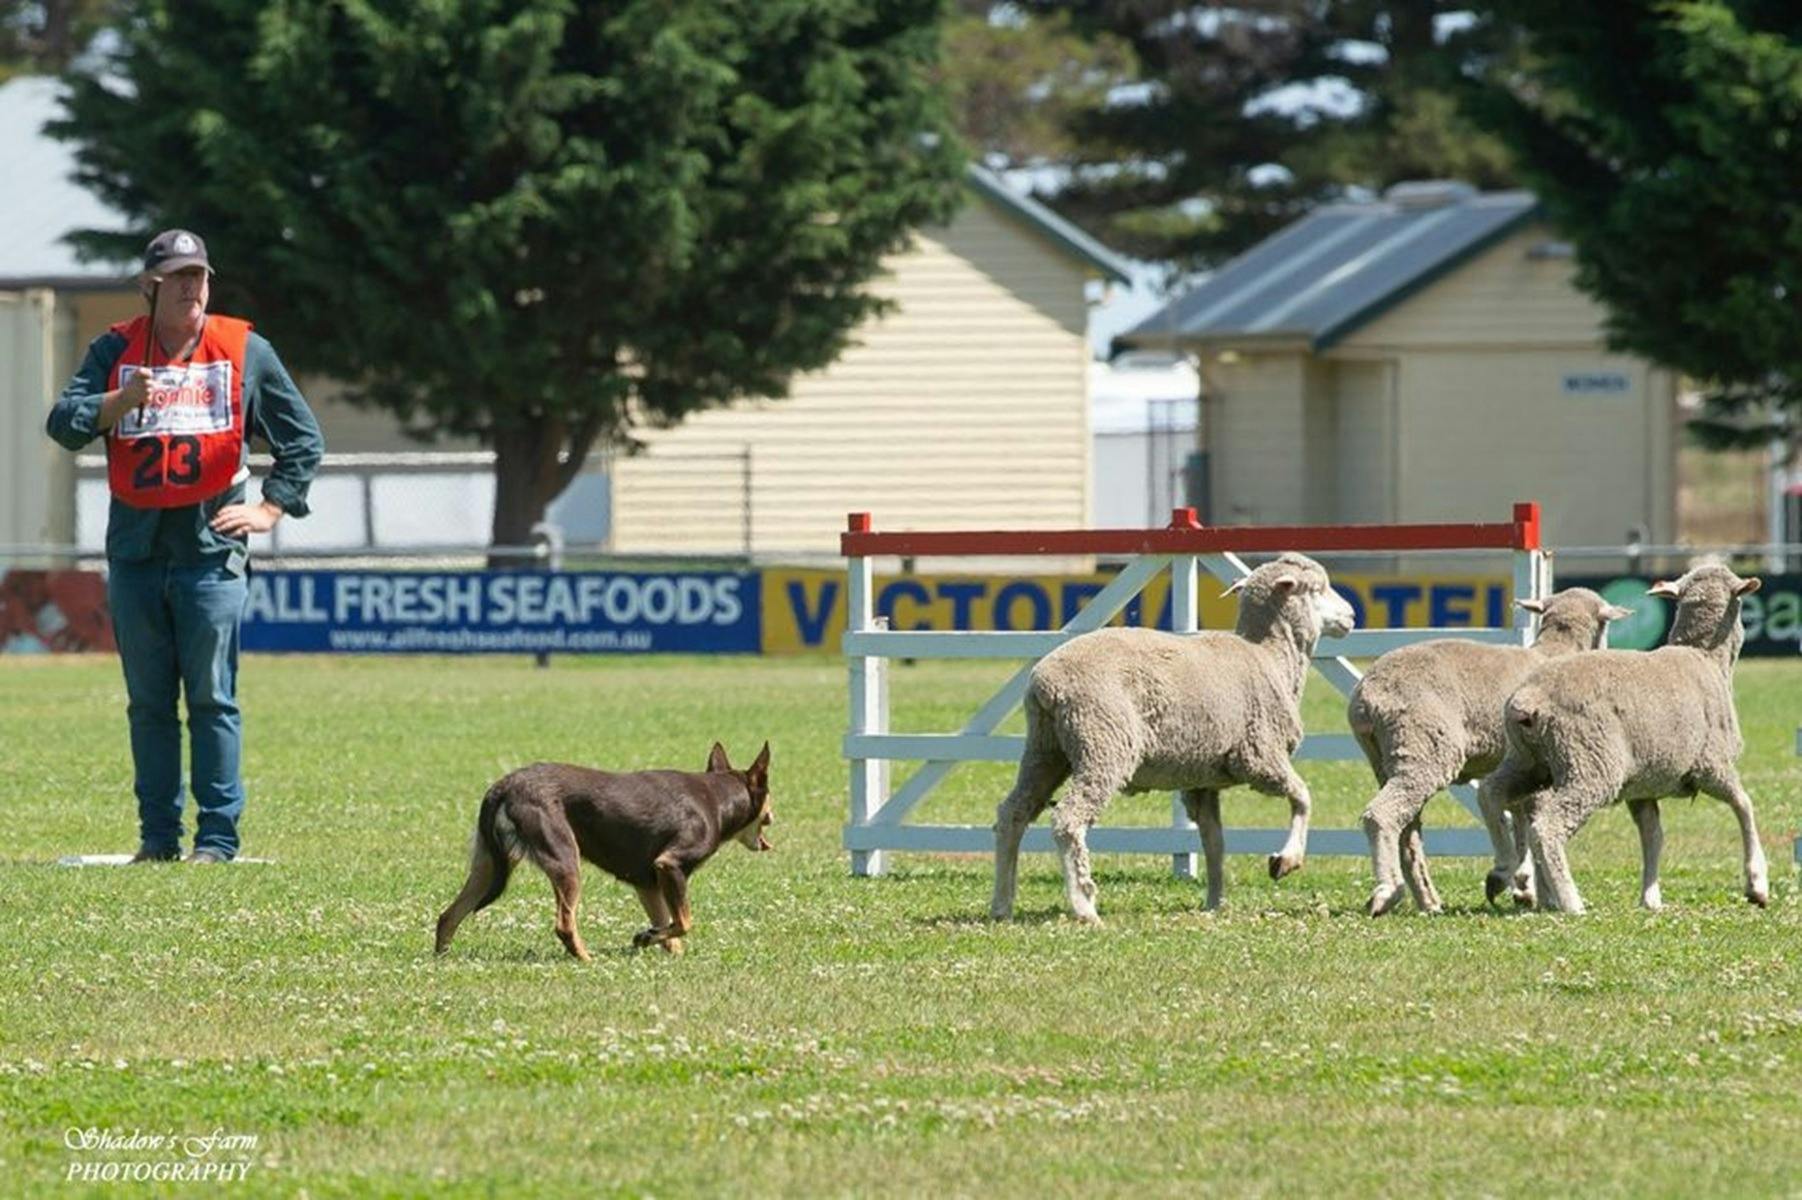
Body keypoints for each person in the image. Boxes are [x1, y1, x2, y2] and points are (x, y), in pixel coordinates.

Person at [46, 229, 324, 864]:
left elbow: (303, 438)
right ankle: (158, 838)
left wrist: (271, 507)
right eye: (177, 277)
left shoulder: (245, 348)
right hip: (137, 555)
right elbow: (62, 423)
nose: (191, 288)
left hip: (210, 555)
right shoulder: (113, 348)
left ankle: (218, 840)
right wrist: (118, 401)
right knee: (148, 703)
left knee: (211, 698)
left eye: (199, 275)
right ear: (151, 287)